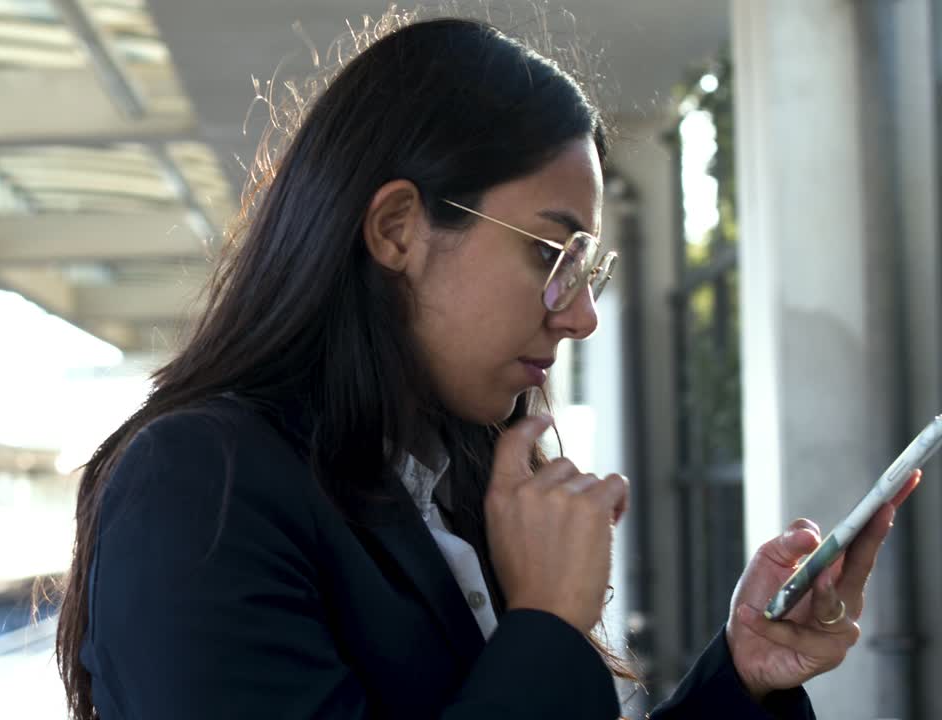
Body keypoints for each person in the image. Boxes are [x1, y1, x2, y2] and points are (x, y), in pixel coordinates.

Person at [55, 12, 920, 719]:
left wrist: (742, 675)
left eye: (587, 270)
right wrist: (544, 623)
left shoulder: (451, 484)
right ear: (397, 229)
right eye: (551, 253)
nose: (578, 314)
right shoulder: (199, 483)